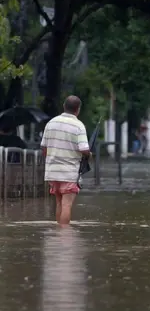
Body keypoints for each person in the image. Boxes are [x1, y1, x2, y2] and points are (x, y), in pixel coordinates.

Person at [40, 95, 90, 226]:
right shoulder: (79, 126)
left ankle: (58, 234)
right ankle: (64, 237)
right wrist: (89, 154)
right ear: (78, 109)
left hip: (52, 171)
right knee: (66, 205)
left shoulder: (51, 123)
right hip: (69, 172)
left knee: (59, 203)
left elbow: (44, 148)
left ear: (64, 106)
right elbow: (84, 149)